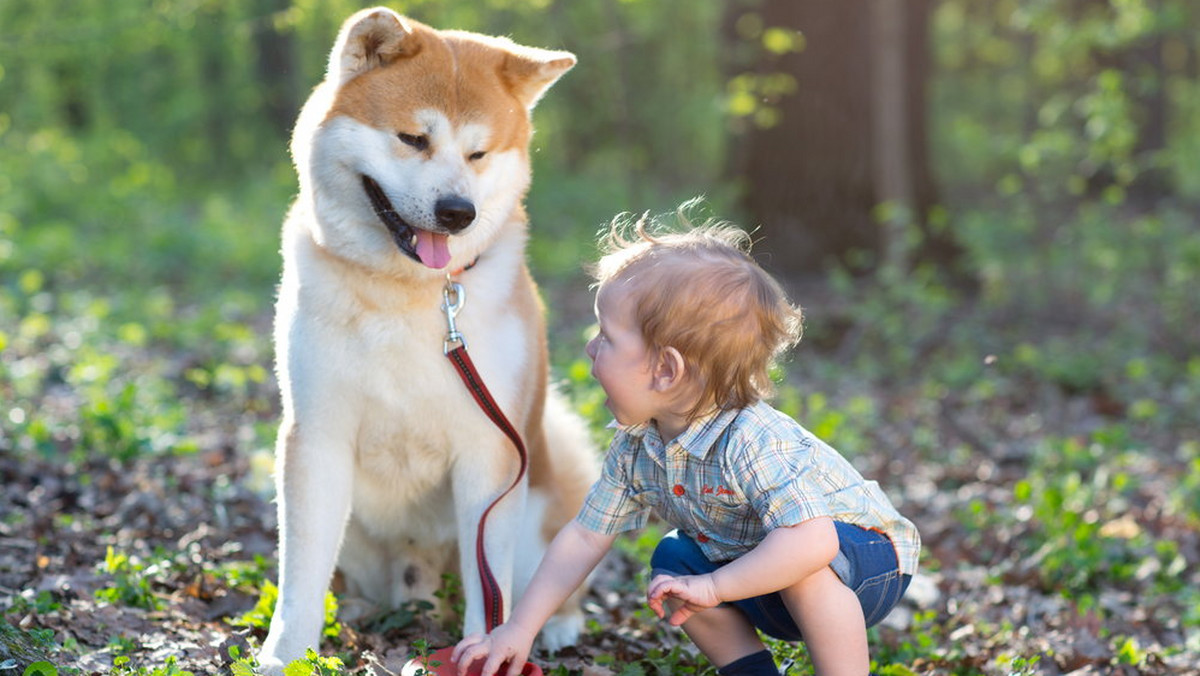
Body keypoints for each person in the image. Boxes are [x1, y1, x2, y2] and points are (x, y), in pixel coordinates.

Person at [452, 206, 920, 676]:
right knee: (674, 564)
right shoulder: (637, 446)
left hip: (867, 560)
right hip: (757, 568)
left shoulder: (752, 440)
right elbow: (583, 536)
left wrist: (717, 587)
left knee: (805, 568)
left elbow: (813, 541)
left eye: (606, 337)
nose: (590, 348)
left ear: (666, 370)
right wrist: (518, 629)